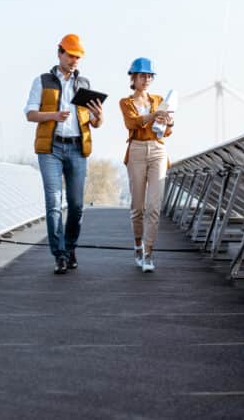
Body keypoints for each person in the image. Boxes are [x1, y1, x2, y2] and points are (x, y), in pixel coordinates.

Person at [25, 34, 104, 274]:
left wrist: (99, 116)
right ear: (59, 53)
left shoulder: (85, 84)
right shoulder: (43, 81)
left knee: (77, 205)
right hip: (51, 148)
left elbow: (95, 123)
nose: (74, 60)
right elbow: (30, 114)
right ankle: (58, 254)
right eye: (70, 55)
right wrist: (53, 116)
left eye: (78, 57)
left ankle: (70, 248)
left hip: (77, 148)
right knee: (54, 203)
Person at [118, 58, 173, 273]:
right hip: (137, 151)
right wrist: (154, 115)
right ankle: (138, 245)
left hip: (158, 149)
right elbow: (132, 123)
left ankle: (149, 252)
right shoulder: (126, 102)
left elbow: (167, 131)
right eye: (143, 75)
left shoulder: (159, 100)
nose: (147, 79)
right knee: (138, 208)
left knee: (154, 207)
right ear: (133, 77)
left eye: (150, 76)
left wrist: (168, 122)